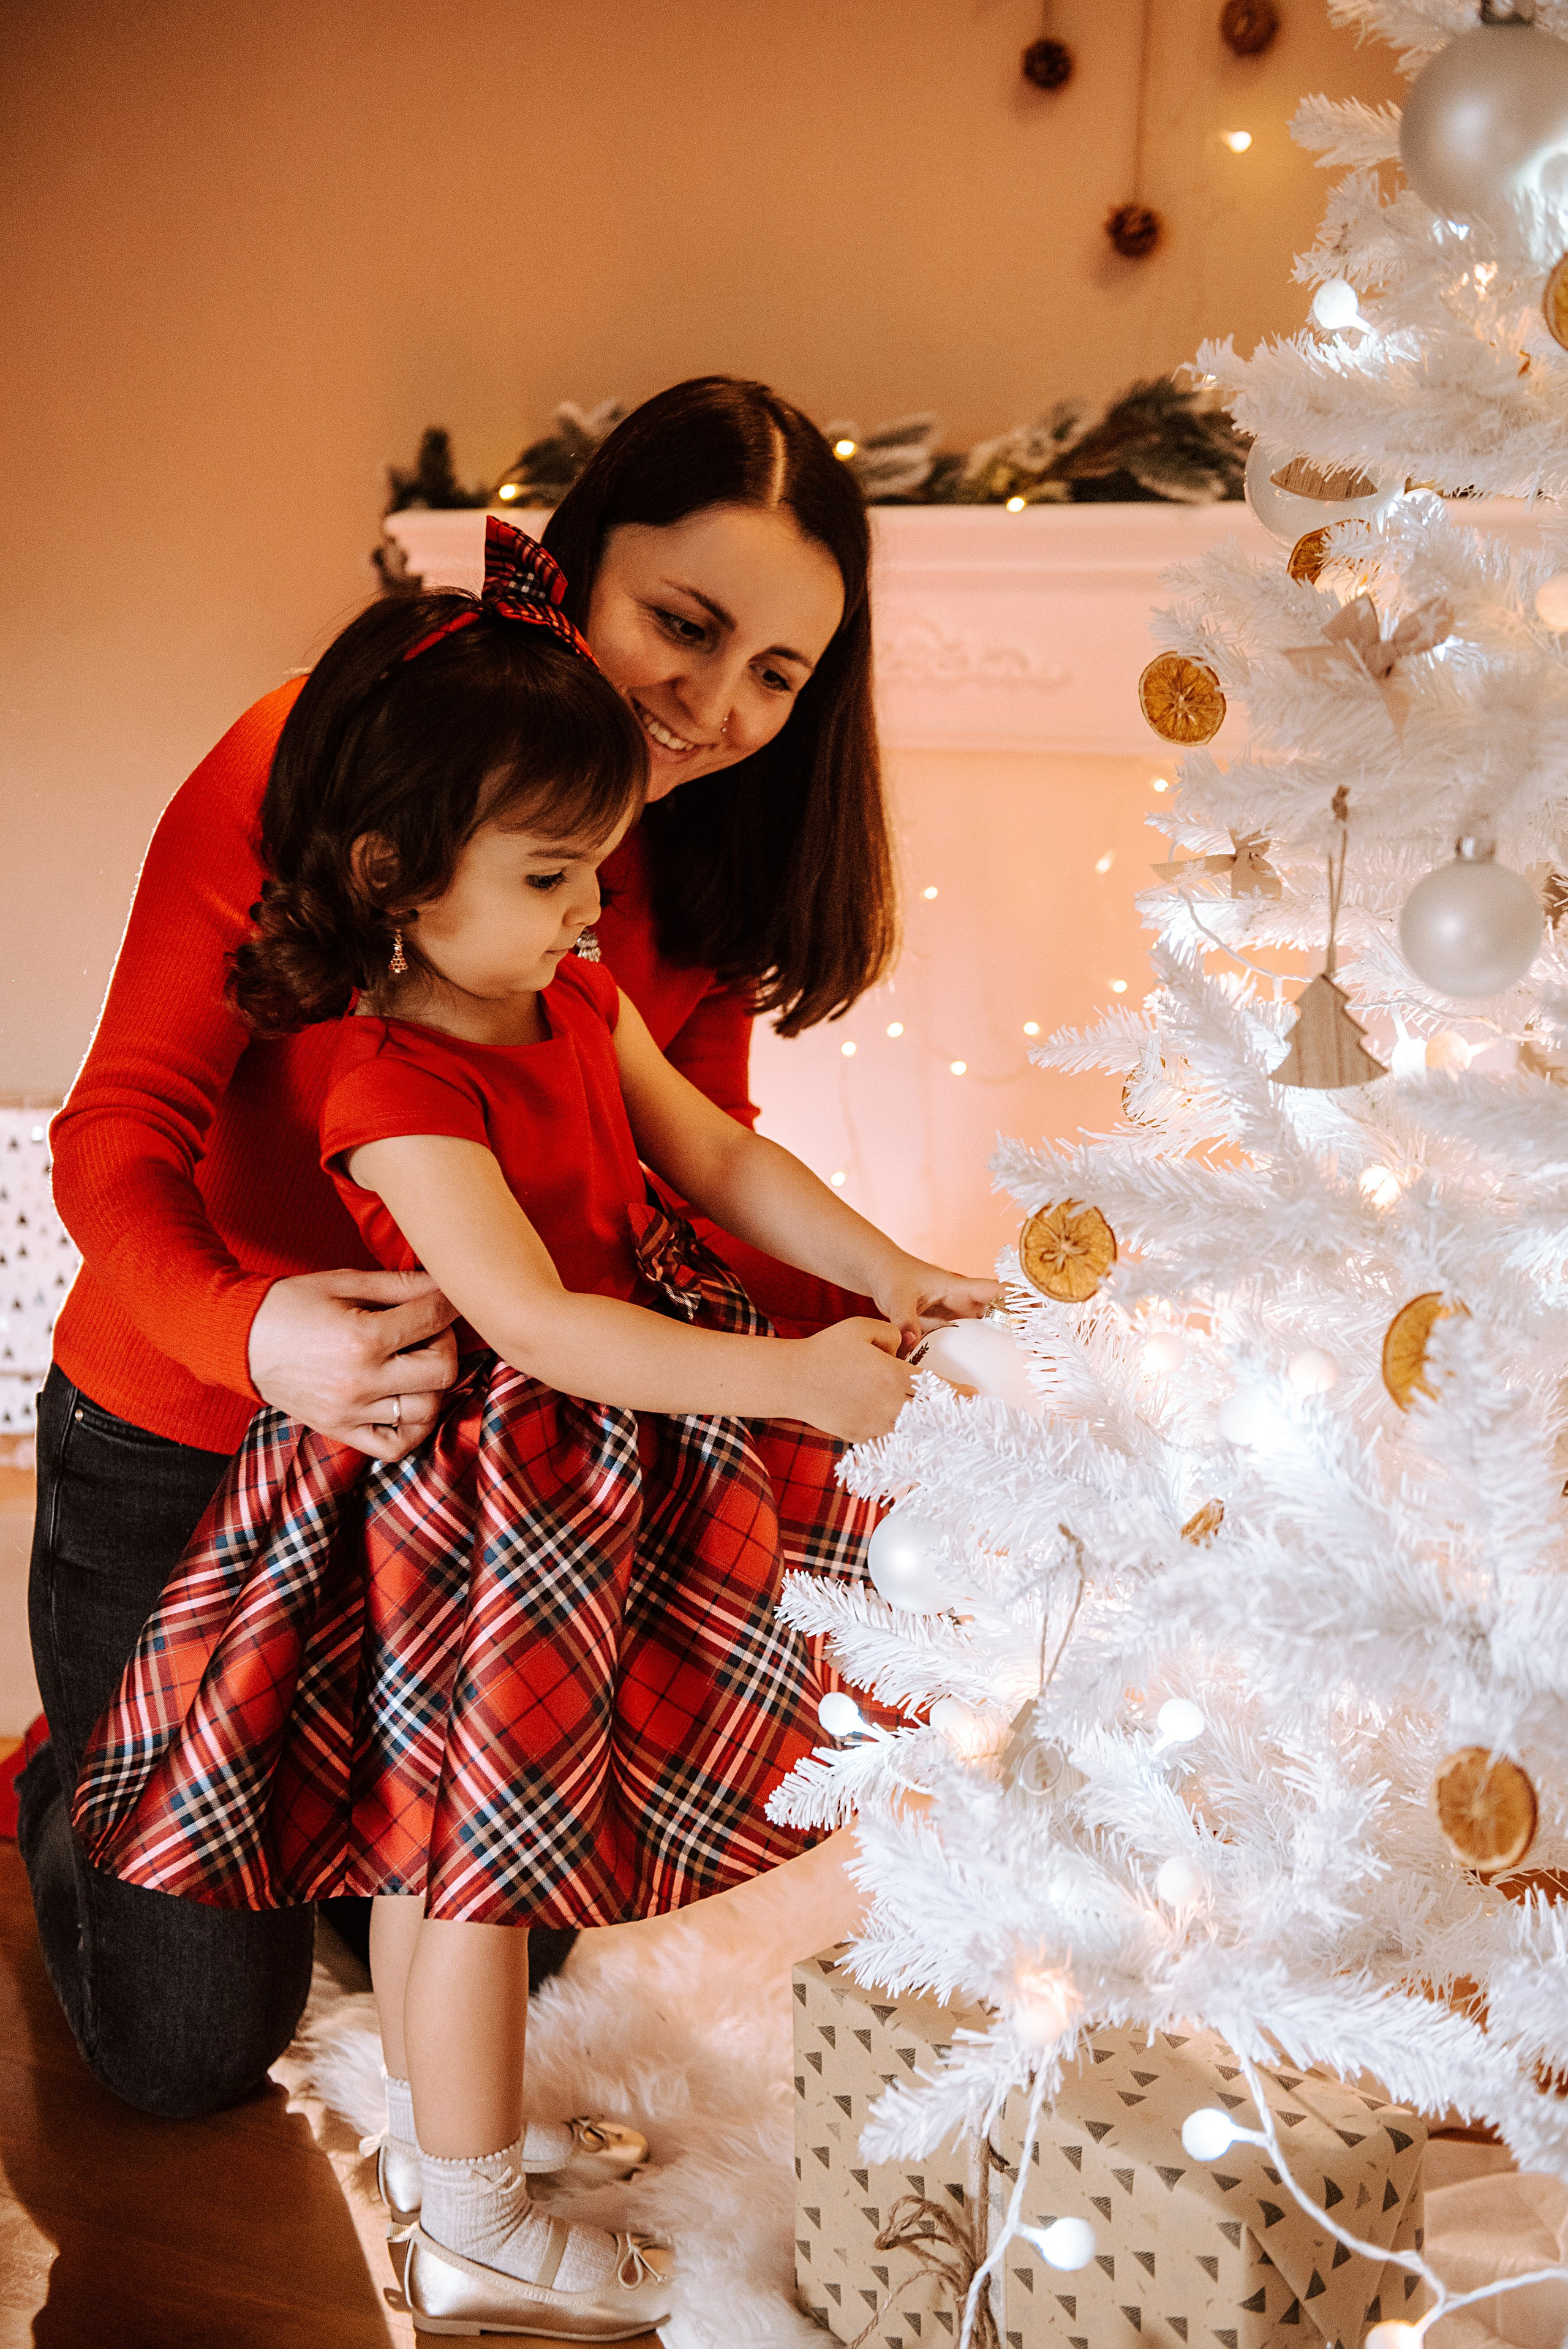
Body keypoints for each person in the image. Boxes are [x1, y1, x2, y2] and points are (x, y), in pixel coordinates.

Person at [71, 524, 997, 2340]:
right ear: (395, 877)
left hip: (573, 1490)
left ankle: (451, 2164)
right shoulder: (391, 1075)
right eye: (561, 873)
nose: (598, 913)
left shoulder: (560, 984)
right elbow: (538, 1322)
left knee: (474, 1870)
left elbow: (711, 1151)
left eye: (601, 868)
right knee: (471, 1873)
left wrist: (881, 1264)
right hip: (473, 1508)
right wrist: (799, 1380)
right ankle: (477, 2214)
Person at [21, 374, 900, 2117]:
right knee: (194, 2043)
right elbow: (114, 1126)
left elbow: (684, 1181)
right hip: (202, 1434)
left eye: (777, 675)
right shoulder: (317, 758)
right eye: (685, 622)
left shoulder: (683, 860)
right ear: (572, 567)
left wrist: (898, 1323)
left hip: (448, 1487)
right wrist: (257, 1330)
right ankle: (80, 1756)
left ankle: (318, 1790)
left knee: (505, 1922)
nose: (711, 706)